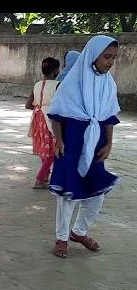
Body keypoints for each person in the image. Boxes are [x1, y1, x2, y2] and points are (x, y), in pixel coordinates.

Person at [48, 35, 120, 259]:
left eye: (113, 58)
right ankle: (61, 238)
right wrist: (58, 141)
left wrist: (109, 142)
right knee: (69, 194)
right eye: (106, 57)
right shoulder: (73, 81)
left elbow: (109, 116)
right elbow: (58, 114)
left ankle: (79, 232)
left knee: (97, 192)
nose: (110, 62)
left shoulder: (109, 84)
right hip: (71, 143)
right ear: (93, 55)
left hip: (96, 143)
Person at [25, 57, 60, 188]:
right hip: (50, 119)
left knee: (44, 148)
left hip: (37, 118)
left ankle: (45, 175)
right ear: (56, 70)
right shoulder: (58, 85)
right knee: (52, 151)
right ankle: (39, 179)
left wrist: (39, 107)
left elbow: (28, 105)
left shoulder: (37, 85)